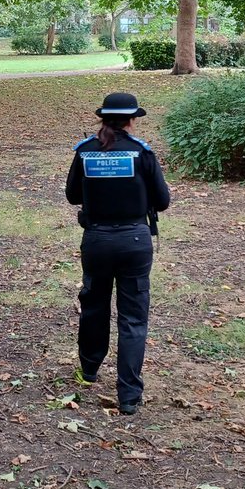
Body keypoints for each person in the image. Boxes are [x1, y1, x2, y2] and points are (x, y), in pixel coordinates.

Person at [65, 91, 170, 415]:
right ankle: (128, 397)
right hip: (135, 243)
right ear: (131, 120)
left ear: (103, 118)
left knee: (94, 307)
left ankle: (89, 370)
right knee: (133, 318)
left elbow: (71, 196)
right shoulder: (142, 153)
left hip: (96, 242)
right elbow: (163, 201)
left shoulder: (85, 152)